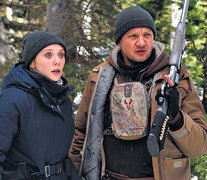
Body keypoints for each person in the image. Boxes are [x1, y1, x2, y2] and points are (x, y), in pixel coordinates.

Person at [69, 6, 207, 180]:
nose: (141, 42)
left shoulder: (175, 79)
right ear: (118, 42)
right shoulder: (100, 78)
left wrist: (176, 118)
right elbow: (81, 133)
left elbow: (199, 147)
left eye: (147, 35)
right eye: (133, 36)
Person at [0, 31, 80, 180]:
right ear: (32, 62)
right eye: (48, 55)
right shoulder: (12, 99)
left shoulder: (63, 100)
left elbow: (63, 158)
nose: (57, 61)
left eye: (61, 55)